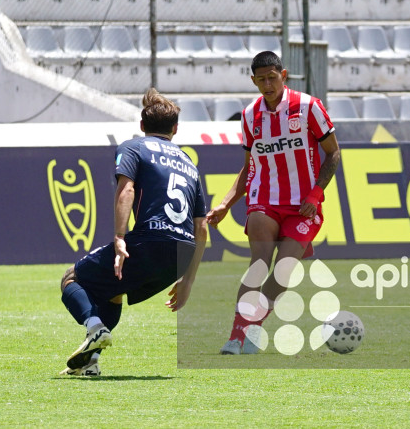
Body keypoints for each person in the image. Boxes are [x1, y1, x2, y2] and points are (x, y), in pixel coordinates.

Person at [59, 88, 208, 376]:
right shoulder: (189, 163)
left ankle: (93, 328)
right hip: (181, 254)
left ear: (141, 126)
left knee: (71, 278)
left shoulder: (133, 147)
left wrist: (119, 238)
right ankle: (91, 362)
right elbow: (201, 226)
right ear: (175, 129)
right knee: (114, 291)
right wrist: (188, 279)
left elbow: (126, 189)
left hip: (150, 241)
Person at [206, 51, 340, 355]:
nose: (268, 84)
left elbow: (333, 153)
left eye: (272, 77)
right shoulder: (249, 115)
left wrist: (315, 194)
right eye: (261, 79)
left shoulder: (309, 107)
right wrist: (226, 203)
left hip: (303, 206)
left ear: (284, 75)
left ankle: (254, 326)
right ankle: (236, 337)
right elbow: (248, 166)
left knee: (282, 272)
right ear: (253, 81)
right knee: (258, 266)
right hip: (263, 200)